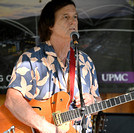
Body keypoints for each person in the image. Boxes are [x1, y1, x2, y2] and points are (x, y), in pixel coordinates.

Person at [4, 0, 101, 132]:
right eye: (66, 17)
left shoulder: (85, 61)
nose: (73, 22)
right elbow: (12, 100)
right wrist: (45, 127)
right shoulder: (31, 59)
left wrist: (93, 102)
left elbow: (98, 104)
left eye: (75, 17)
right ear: (50, 24)